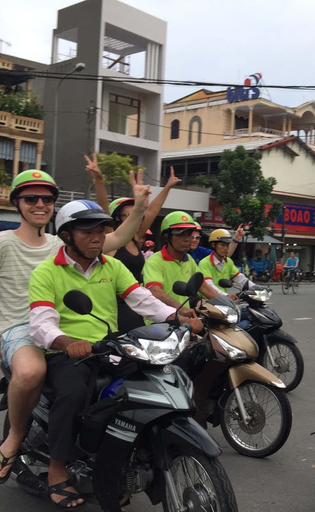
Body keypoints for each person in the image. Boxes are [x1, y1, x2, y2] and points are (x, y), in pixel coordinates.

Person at [27, 199, 199, 509]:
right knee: (72, 393)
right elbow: (41, 323)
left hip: (109, 347)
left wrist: (176, 317)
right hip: (67, 353)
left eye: (102, 231)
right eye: (87, 232)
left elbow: (143, 300)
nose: (97, 238)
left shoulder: (113, 266)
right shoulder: (46, 272)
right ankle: (57, 469)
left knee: (153, 379)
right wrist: (67, 342)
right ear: (66, 235)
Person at [0, 168, 149, 488]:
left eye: (47, 198)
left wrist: (139, 206)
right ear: (16, 203)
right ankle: (14, 436)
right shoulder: (4, 242)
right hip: (18, 327)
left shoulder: (62, 241)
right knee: (30, 372)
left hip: (63, 324)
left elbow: (119, 238)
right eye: (31, 198)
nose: (40, 204)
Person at [104, 167, 182, 331]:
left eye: (136, 215)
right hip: (114, 305)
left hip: (137, 301)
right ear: (115, 218)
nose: (135, 218)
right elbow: (104, 208)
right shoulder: (110, 238)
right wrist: (99, 181)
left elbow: (152, 210)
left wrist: (167, 186)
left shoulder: (134, 236)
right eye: (129, 215)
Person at [143, 211, 231, 311]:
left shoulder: (189, 260)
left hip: (185, 319)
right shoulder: (155, 261)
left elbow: (203, 287)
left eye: (189, 234)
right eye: (180, 234)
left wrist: (227, 303)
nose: (187, 239)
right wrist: (180, 309)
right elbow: (155, 291)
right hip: (159, 321)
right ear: (167, 236)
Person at [197, 228, 255, 300]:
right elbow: (209, 285)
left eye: (227, 245)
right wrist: (227, 296)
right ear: (213, 245)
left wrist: (257, 288)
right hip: (208, 303)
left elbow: (241, 279)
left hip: (224, 302)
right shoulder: (204, 263)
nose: (225, 248)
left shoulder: (228, 261)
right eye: (222, 245)